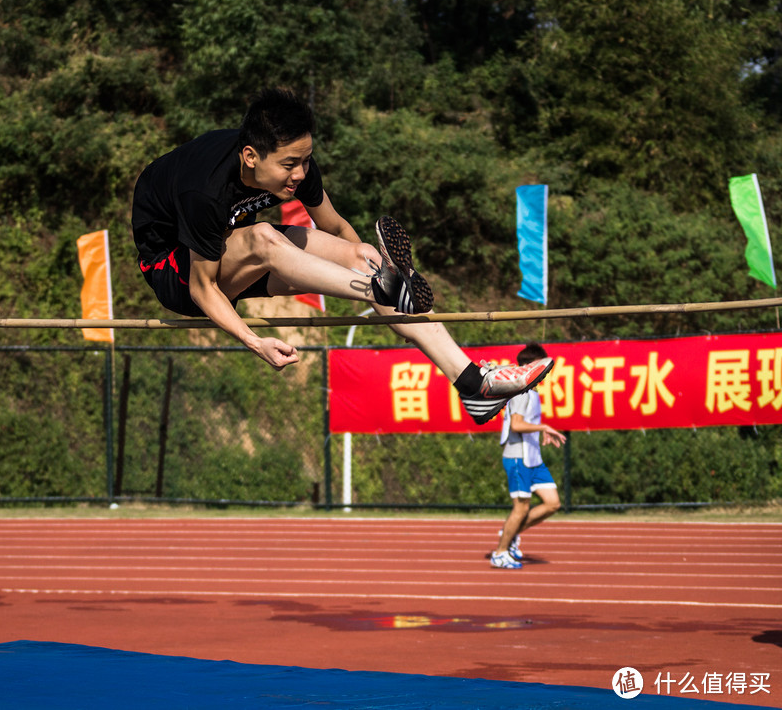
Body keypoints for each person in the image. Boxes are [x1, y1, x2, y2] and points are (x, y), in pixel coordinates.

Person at [130, 87, 553, 424]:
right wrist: (254, 342)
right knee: (262, 237)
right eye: (290, 164)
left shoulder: (295, 168)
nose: (300, 174)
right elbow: (202, 289)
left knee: (363, 256)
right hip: (177, 273)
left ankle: (472, 383)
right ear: (251, 157)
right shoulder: (203, 189)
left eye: (306, 161)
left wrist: (363, 257)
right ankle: (383, 287)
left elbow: (335, 228)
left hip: (227, 254)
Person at [490, 342, 567, 569]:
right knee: (521, 507)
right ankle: (500, 552)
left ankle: (510, 532)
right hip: (517, 458)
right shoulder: (521, 392)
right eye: (541, 365)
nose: (545, 370)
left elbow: (526, 424)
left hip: (533, 458)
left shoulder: (531, 393)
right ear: (530, 367)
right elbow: (517, 425)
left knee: (552, 503)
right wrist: (543, 428)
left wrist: (540, 434)